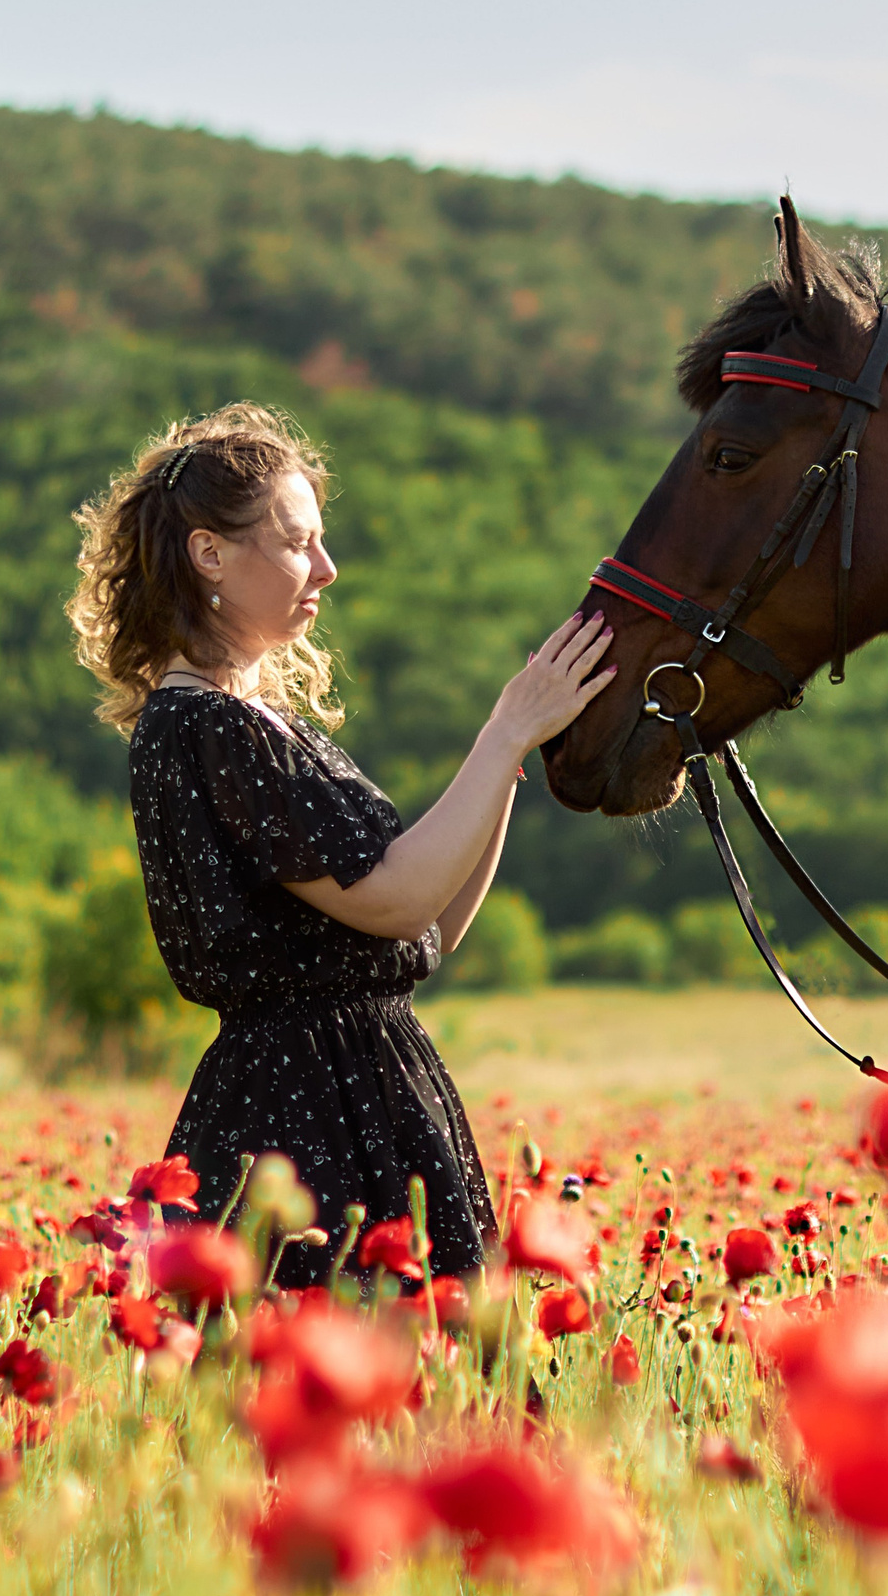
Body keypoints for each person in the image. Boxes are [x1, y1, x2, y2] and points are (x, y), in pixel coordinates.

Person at [66, 402, 613, 1286]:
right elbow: (395, 895)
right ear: (210, 553)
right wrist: (502, 732)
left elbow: (420, 928)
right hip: (306, 1111)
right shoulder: (210, 728)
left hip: (352, 1086)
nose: (326, 566)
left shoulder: (241, 722)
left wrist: (506, 766)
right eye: (296, 542)